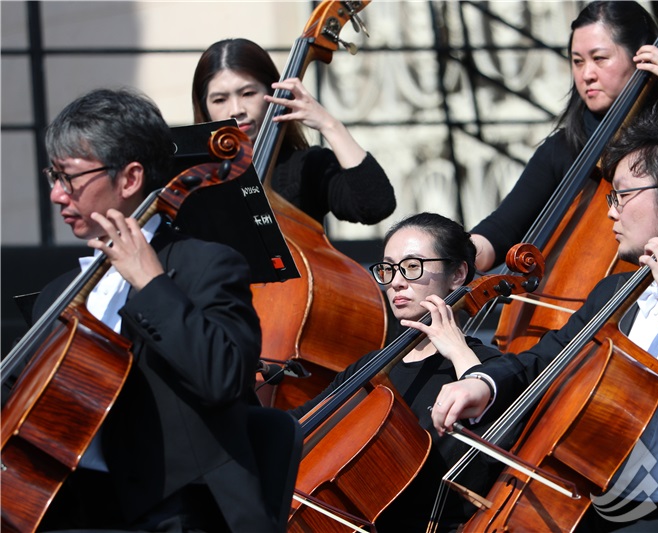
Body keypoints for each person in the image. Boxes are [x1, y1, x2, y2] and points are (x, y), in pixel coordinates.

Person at [432, 101, 658, 532]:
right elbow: (543, 359)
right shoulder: (615, 294)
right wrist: (484, 383)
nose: (610, 212)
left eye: (622, 196)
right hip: (607, 511)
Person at [6, 88, 280, 532]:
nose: (57, 195)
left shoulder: (206, 265)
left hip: (182, 512)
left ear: (130, 179)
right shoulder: (57, 293)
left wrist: (151, 284)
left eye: (69, 178)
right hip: (76, 508)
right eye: (52, 176)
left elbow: (223, 378)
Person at [289, 212, 520, 531]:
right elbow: (298, 425)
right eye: (388, 268)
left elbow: (497, 450)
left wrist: (458, 352)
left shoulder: (487, 368)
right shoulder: (370, 367)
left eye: (412, 267)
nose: (396, 280)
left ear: (457, 274)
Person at [470, 0, 658, 271]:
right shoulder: (564, 147)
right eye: (577, 62)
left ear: (642, 57)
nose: (586, 74)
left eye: (599, 58)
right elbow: (500, 229)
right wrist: (451, 254)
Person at [190, 37, 396, 225]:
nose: (236, 110)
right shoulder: (190, 177)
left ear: (273, 93)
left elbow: (375, 206)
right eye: (219, 99)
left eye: (248, 93)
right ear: (204, 108)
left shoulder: (307, 166)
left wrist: (330, 125)